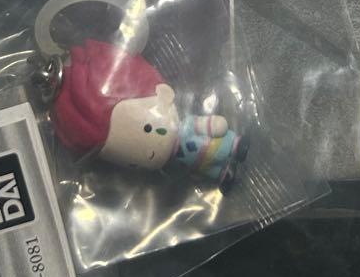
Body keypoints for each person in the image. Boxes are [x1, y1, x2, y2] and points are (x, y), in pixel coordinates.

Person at [52, 39, 249, 192]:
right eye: (133, 163)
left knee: (224, 148)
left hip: (217, 144)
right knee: (210, 171)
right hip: (197, 165)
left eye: (148, 128)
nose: (148, 156)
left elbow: (212, 125)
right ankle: (222, 173)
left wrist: (217, 126)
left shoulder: (188, 126)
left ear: (164, 94)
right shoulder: (169, 163)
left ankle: (234, 145)